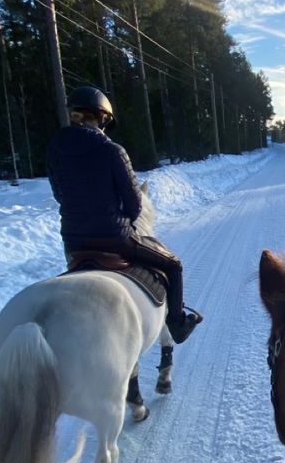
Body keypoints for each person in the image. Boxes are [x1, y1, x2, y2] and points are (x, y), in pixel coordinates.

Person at [47, 85, 202, 344]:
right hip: (114, 238)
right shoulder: (112, 150)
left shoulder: (54, 148)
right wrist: (124, 220)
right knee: (173, 266)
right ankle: (176, 324)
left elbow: (59, 195)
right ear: (103, 118)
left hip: (73, 242)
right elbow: (134, 203)